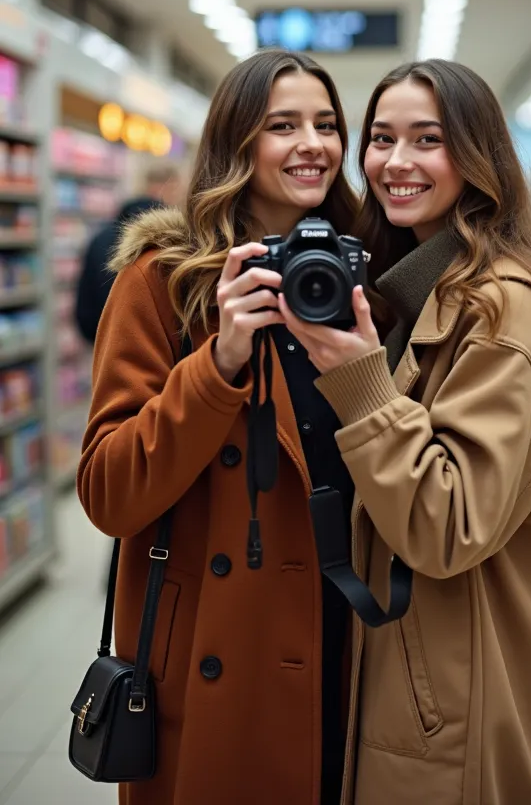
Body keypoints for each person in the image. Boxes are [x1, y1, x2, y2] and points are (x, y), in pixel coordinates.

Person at [279, 59, 531, 805]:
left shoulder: (500, 310)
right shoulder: (424, 290)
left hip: (467, 689)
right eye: (381, 138)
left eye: (428, 140)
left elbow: (448, 523)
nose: (396, 163)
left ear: (477, 155)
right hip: (436, 671)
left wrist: (361, 380)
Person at [77, 49, 359, 805]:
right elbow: (109, 492)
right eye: (283, 125)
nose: (314, 144)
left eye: (327, 124)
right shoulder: (162, 280)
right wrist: (218, 362)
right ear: (238, 143)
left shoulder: (362, 277)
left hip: (350, 634)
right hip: (217, 645)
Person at [74, 163, 186, 344]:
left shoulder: (100, 238)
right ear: (170, 188)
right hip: (156, 355)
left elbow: (84, 311)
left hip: (103, 348)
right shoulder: (173, 243)